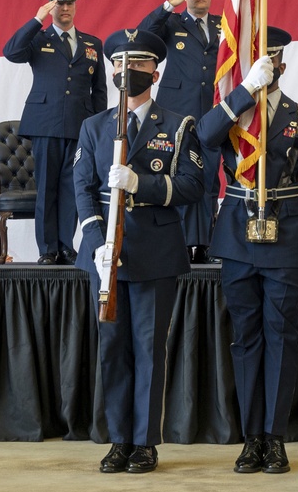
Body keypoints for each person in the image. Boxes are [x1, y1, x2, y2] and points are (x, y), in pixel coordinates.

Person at [197, 27, 298, 474]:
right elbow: (204, 135)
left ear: (284, 66)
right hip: (237, 234)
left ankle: (274, 438)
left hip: (288, 234)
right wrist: (244, 90)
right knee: (245, 337)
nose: (267, 68)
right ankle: (250, 436)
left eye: (272, 62)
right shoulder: (233, 108)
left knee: (282, 335)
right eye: (259, 61)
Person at [74, 29, 205, 474]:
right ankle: (118, 439)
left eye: (137, 64)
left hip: (154, 252)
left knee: (149, 349)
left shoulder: (177, 124)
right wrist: (96, 243)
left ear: (156, 71)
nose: (125, 71)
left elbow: (193, 185)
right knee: (113, 349)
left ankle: (145, 443)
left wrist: (140, 184)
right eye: (118, 64)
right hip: (105, 256)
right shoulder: (94, 126)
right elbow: (82, 188)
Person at [3, 0, 106, 264]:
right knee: (47, 188)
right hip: (45, 124)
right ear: (50, 6)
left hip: (79, 125)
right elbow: (11, 52)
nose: (65, 8)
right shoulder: (39, 39)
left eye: (69, 2)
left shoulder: (91, 43)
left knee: (73, 189)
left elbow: (99, 90)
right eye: (59, 3)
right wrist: (37, 19)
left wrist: (98, 127)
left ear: (75, 5)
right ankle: (47, 249)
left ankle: (65, 245)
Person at [139, 0, 222, 264]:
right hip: (177, 111)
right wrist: (167, 6)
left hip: (214, 110)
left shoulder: (222, 24)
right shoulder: (173, 22)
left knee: (210, 177)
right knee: (182, 174)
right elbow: (142, 37)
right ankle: (184, 242)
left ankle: (205, 244)